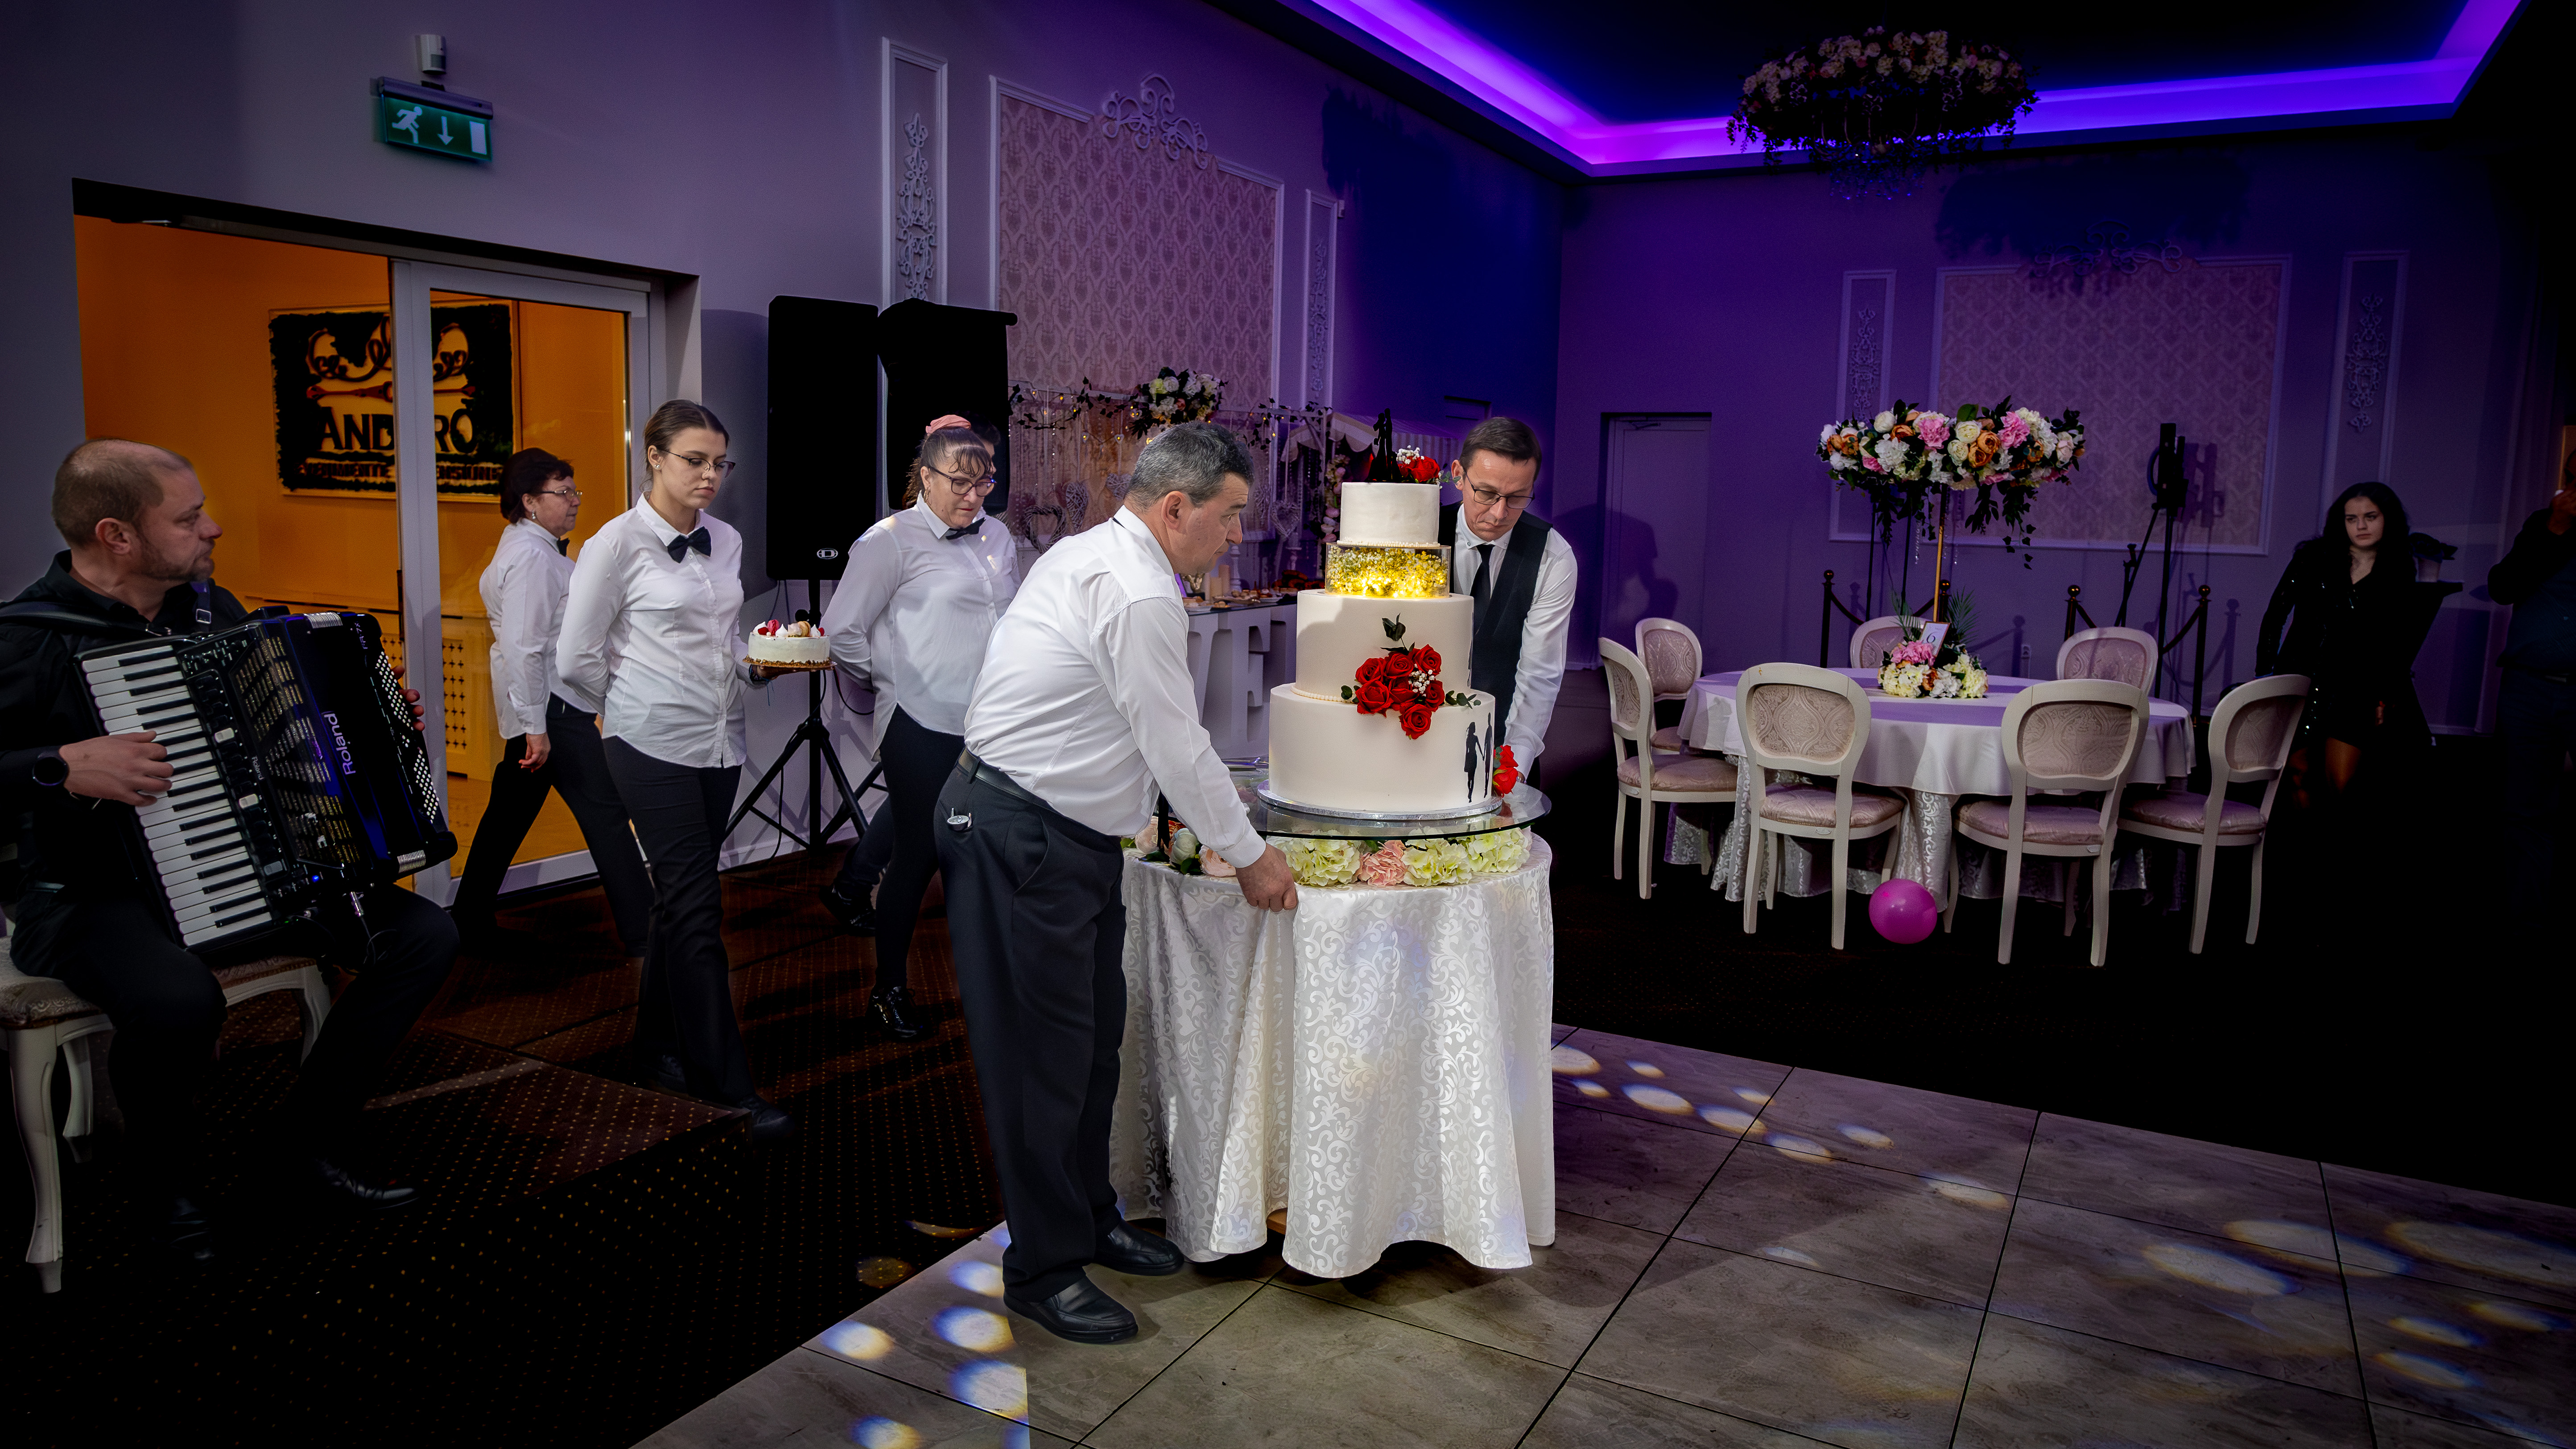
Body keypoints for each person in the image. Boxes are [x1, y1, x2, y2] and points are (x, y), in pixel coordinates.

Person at [0, 440, 457, 1263]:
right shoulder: (25, 641)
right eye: (187, 518)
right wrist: (59, 765)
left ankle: (301, 1146)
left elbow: (273, 737)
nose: (211, 528)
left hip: (239, 870)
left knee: (423, 934)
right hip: (91, 894)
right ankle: (163, 1190)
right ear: (117, 535)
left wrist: (364, 718)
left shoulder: (214, 614)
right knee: (180, 1002)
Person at [940, 422, 1299, 1344]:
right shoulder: (1137, 590)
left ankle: (1089, 1215)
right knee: (1037, 1064)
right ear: (1175, 507)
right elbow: (1173, 741)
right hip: (1019, 831)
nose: (1237, 535)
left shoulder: (1101, 552)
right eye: (1229, 515)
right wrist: (1249, 853)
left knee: (1093, 1045)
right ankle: (1042, 1267)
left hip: (1072, 836)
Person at [557, 400, 793, 1143]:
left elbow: (722, 638)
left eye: (719, 462)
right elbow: (574, 659)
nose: (710, 475)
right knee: (696, 908)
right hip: (650, 743)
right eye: (695, 460)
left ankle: (656, 1049)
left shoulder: (726, 539)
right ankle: (728, 1087)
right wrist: (632, 704)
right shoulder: (613, 544)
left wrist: (757, 666)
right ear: (654, 457)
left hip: (720, 741)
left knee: (673, 905)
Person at [818, 417, 1018, 1041]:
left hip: (989, 721)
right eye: (959, 483)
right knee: (920, 852)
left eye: (983, 483)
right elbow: (842, 629)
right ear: (926, 477)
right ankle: (887, 992)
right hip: (920, 720)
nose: (973, 496)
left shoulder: (998, 536)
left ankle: (996, 985)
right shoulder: (888, 541)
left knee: (989, 851)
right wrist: (891, 680)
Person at [448, 448, 653, 957]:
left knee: (507, 816)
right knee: (607, 813)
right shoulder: (533, 558)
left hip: (544, 710)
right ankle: (647, 933)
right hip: (555, 712)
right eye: (563, 492)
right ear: (529, 502)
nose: (575, 501)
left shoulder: (530, 548)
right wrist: (536, 728)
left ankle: (468, 921)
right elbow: (525, 647)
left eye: (574, 490)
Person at [2257, 481, 2432, 810]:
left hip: (2354, 688)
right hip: (2300, 679)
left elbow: (2392, 642)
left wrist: (2384, 697)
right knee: (2298, 774)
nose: (2361, 526)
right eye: (2352, 519)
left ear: (2388, 519)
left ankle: (2337, 841)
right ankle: (2306, 841)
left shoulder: (2398, 569)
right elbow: (2275, 616)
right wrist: (2265, 678)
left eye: (2370, 517)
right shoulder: (2313, 558)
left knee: (2342, 784)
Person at [1435, 417, 1578, 779]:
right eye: (1486, 493)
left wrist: (1514, 767)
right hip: (1414, 740)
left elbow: (1540, 674)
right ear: (1458, 475)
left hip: (1505, 743)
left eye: (1517, 498)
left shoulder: (1553, 556)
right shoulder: (1420, 536)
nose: (1500, 514)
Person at [2487, 457, 2576, 928]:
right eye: (2571, 478)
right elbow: (2503, 587)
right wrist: (2555, 529)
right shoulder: (2543, 526)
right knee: (2525, 813)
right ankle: (2526, 926)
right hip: (2528, 687)